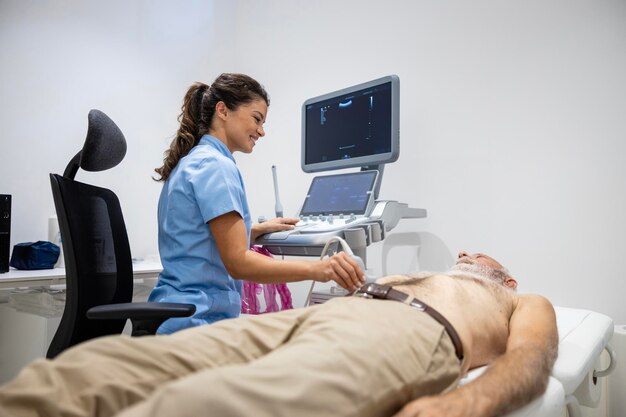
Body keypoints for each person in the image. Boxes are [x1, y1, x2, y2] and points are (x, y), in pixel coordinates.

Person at [0, 251, 558, 417]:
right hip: (328, 316)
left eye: (475, 253)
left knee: (206, 404)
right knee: (104, 366)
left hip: (412, 330)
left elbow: (532, 358)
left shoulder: (517, 298)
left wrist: (468, 404)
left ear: (504, 272)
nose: (462, 255)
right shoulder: (433, 270)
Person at [149, 73, 364, 333]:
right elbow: (238, 263)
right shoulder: (215, 166)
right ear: (223, 111)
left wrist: (253, 230)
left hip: (180, 311)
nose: (261, 131)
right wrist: (320, 269)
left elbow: (197, 236)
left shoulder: (195, 161)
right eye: (256, 119)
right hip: (196, 322)